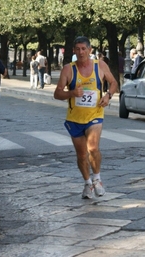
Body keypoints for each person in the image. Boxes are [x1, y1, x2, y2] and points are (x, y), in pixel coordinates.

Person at [53, 36, 118, 199]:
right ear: (74, 51)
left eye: (84, 49)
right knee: (82, 155)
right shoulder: (69, 69)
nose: (81, 52)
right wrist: (71, 93)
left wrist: (108, 96)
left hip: (95, 115)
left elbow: (114, 83)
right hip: (75, 118)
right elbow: (57, 93)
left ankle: (97, 179)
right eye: (78, 49)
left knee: (93, 148)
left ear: (90, 50)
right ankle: (87, 183)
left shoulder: (100, 66)